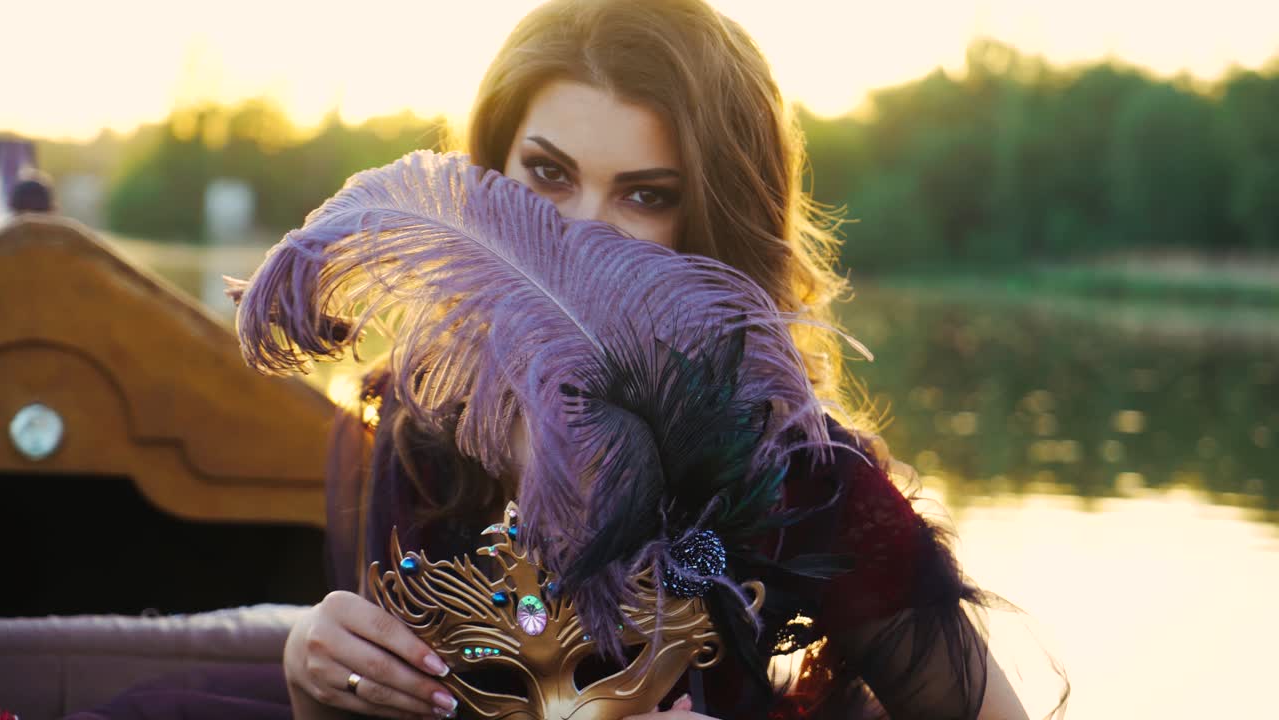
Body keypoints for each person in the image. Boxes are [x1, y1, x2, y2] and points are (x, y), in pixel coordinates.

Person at [287, 2, 1067, 720]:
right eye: (549, 174)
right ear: (491, 177)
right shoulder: (423, 419)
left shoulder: (801, 478)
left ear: (713, 216)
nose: (579, 237)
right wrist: (311, 675)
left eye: (646, 194)